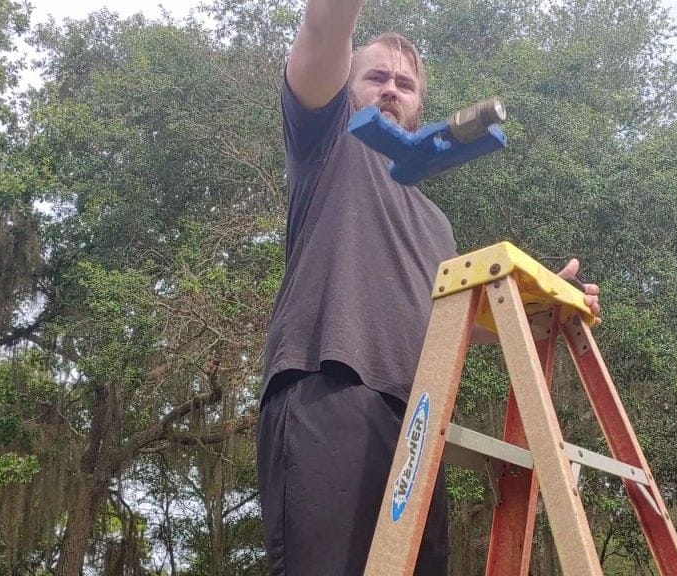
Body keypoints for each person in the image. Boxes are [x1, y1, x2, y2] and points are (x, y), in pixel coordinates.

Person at [254, 0, 602, 573]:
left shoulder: (436, 223)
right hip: (329, 387)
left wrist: (540, 300)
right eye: (375, 76)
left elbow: (458, 315)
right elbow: (324, 26)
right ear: (348, 87)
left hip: (418, 419)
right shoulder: (327, 141)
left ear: (421, 105)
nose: (391, 88)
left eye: (405, 83)